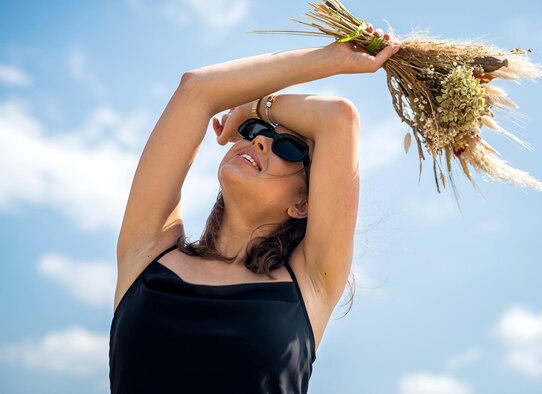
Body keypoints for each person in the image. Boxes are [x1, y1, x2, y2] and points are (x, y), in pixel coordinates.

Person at [109, 24, 399, 394]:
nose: (261, 139)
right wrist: (330, 58)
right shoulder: (148, 250)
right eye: (252, 131)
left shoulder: (310, 281)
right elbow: (195, 89)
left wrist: (255, 106)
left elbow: (337, 118)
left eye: (288, 148)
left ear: (303, 204)